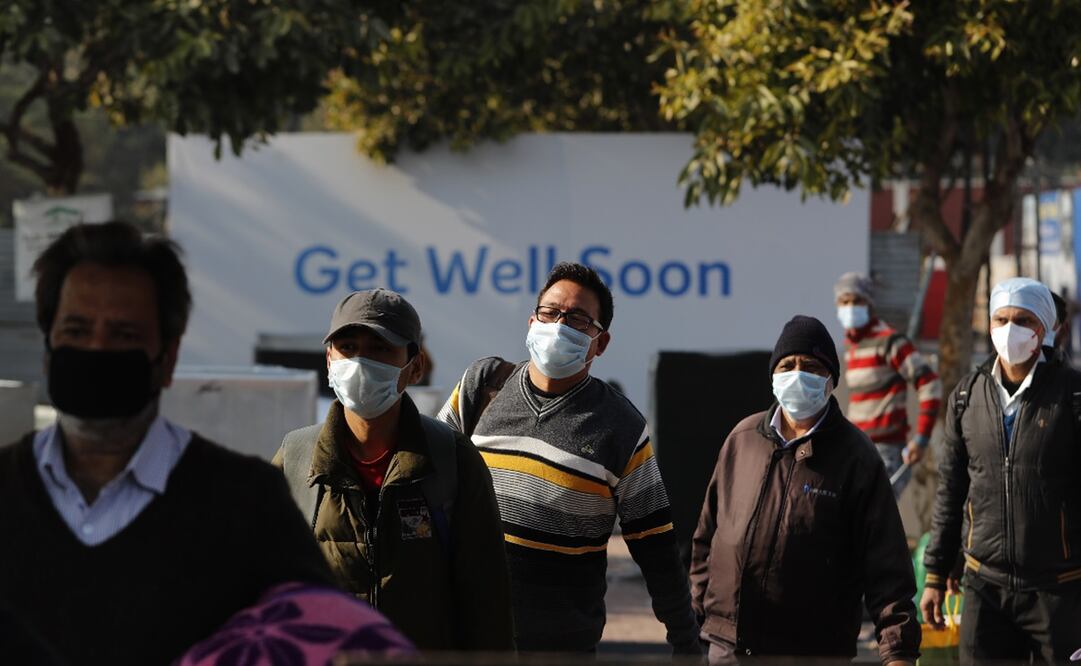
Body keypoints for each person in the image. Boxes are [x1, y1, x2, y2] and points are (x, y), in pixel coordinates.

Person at [0, 222, 331, 666]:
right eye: (76, 331)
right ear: (48, 347)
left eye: (124, 335)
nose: (97, 350)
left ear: (168, 358)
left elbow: (324, 641)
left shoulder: (248, 503)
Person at [437, 262, 701, 655]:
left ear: (601, 342)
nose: (559, 325)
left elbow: (656, 547)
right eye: (550, 312)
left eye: (578, 319)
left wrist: (686, 644)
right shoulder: (483, 385)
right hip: (469, 637)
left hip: (558, 648)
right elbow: (430, 480)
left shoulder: (620, 427)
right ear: (531, 321)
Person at [273, 288, 514, 651]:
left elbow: (487, 603)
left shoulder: (452, 459)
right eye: (348, 347)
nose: (360, 362)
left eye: (380, 349)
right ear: (328, 359)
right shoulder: (295, 458)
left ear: (414, 366)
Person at [692, 315, 920, 665]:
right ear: (773, 375)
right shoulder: (743, 440)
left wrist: (898, 652)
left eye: (812, 366)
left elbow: (887, 567)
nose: (798, 374)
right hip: (729, 648)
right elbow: (707, 537)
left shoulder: (856, 457)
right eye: (788, 365)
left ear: (831, 380)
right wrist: (699, 616)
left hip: (812, 650)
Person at [921, 277, 1081, 665]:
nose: (1010, 330)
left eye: (1023, 320)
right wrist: (936, 573)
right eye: (1001, 319)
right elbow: (953, 487)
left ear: (1043, 329)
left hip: (1058, 589)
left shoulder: (1073, 396)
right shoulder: (966, 395)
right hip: (984, 587)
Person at [834, 272, 941, 497]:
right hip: (856, 448)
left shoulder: (889, 341)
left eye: (857, 301)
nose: (850, 307)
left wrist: (921, 439)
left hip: (886, 452)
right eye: (845, 302)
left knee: (874, 519)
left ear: (870, 304)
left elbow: (929, 383)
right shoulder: (852, 346)